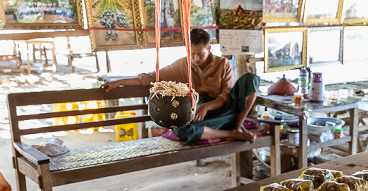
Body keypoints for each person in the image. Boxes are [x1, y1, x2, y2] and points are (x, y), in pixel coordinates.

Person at [102, 29, 259, 145]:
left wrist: (206, 106)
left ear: (209, 49)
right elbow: (151, 77)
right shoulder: (182, 65)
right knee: (182, 130)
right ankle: (232, 134)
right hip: (202, 117)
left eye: (201, 54)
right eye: (192, 54)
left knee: (250, 79)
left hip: (226, 110)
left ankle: (238, 126)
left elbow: (225, 96)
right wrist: (119, 82)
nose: (196, 58)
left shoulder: (222, 64)